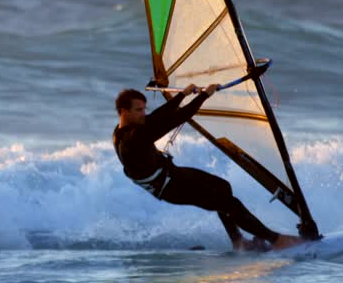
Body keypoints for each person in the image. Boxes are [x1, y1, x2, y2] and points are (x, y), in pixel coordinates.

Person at [112, 85, 303, 251]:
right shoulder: (133, 138)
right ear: (124, 111)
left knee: (223, 187)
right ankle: (277, 240)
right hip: (170, 188)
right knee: (229, 204)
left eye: (144, 109)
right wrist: (204, 96)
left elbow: (156, 117)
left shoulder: (122, 130)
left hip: (172, 175)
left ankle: (239, 242)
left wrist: (182, 95)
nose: (143, 114)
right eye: (138, 110)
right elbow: (177, 118)